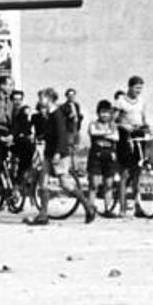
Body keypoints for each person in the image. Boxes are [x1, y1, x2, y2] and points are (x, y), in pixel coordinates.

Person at [26, 89, 95, 225]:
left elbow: (61, 136)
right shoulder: (48, 115)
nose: (40, 101)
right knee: (43, 183)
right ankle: (43, 215)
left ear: (49, 99)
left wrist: (58, 153)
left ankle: (88, 206)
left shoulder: (57, 114)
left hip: (59, 154)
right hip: (48, 153)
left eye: (42, 98)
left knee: (66, 184)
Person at [86, 100, 120, 213]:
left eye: (107, 112)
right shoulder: (93, 124)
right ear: (98, 113)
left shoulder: (113, 125)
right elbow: (93, 132)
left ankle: (108, 209)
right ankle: (90, 208)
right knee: (94, 184)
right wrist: (107, 134)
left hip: (109, 157)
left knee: (109, 184)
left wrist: (104, 134)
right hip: (96, 156)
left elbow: (116, 138)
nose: (105, 115)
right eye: (102, 112)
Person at [11, 90, 37, 184]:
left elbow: (28, 125)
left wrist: (27, 134)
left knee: (29, 148)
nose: (17, 102)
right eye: (15, 99)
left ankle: (23, 175)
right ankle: (20, 177)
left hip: (22, 139)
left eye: (19, 99)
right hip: (12, 140)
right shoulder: (9, 112)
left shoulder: (24, 111)